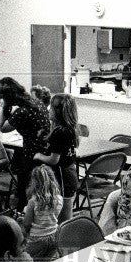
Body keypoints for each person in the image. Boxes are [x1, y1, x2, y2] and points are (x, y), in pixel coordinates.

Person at [0, 77, 50, 208]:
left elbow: (2, 128)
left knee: (22, 176)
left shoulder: (22, 111)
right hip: (46, 150)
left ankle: (22, 207)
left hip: (32, 153)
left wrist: (4, 107)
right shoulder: (38, 103)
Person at [33, 93, 80, 222]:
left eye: (51, 108)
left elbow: (54, 159)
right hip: (69, 173)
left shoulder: (59, 132)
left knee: (64, 218)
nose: (49, 110)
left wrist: (39, 156)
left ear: (58, 112)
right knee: (65, 213)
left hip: (62, 177)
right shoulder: (70, 129)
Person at [22, 165, 63, 262]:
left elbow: (27, 224)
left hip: (36, 237)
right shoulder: (59, 198)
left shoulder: (33, 201)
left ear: (34, 182)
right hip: (54, 235)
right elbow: (52, 217)